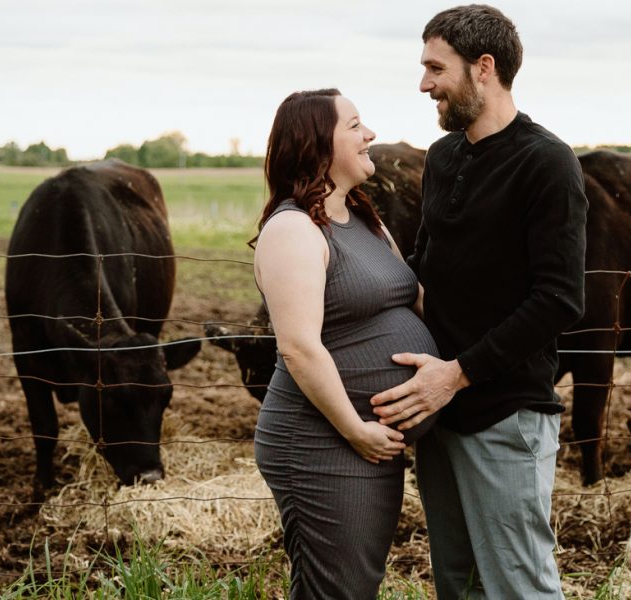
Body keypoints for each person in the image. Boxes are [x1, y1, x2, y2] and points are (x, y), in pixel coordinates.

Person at [371, 5, 588, 599]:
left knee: (520, 588)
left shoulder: (546, 162)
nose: (424, 84)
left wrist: (456, 376)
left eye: (435, 68)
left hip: (504, 414)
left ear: (483, 68)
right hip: (439, 414)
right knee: (457, 586)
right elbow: (427, 267)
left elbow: (559, 299)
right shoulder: (443, 158)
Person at [252, 88, 440, 599]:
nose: (370, 135)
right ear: (318, 144)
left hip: (365, 444)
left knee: (351, 585)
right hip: (322, 442)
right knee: (337, 589)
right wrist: (356, 429)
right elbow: (298, 347)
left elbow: (419, 298)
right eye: (355, 125)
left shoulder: (363, 219)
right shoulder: (293, 229)